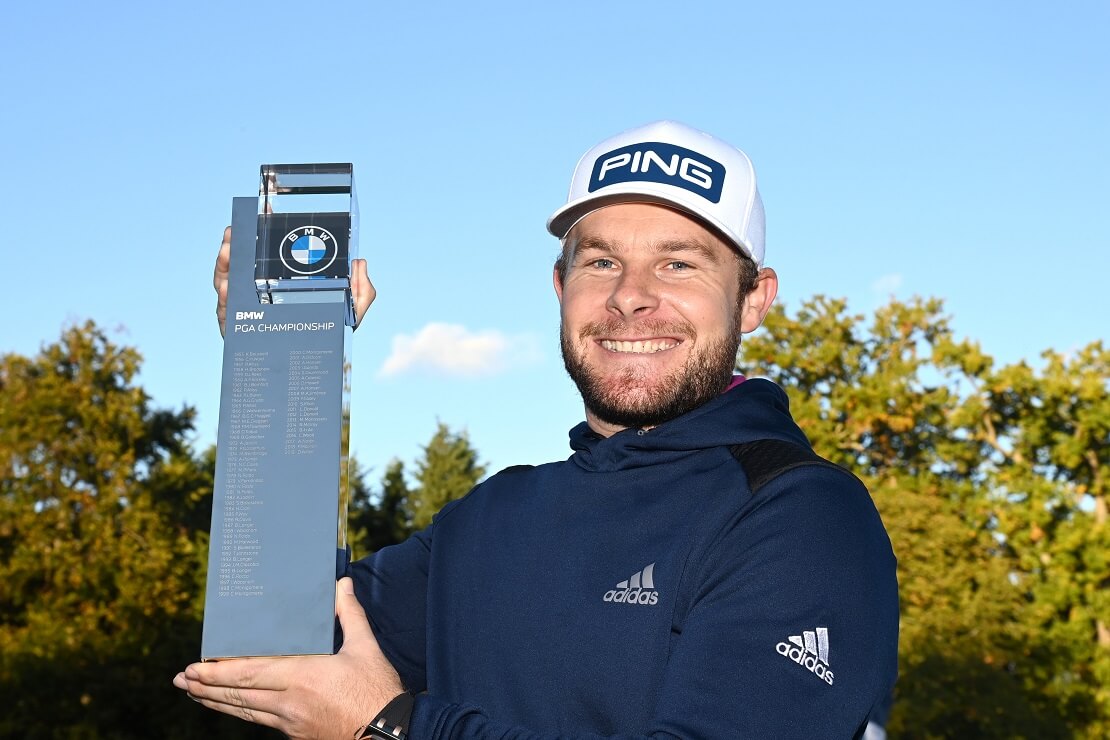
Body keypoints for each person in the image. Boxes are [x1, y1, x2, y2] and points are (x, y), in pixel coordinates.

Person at [175, 121, 898, 739]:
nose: (630, 297)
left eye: (679, 263)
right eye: (602, 261)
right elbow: (275, 644)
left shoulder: (799, 514)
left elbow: (361, 711)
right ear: (561, 287)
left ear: (752, 301)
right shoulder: (491, 518)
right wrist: (283, 362)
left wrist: (390, 725)